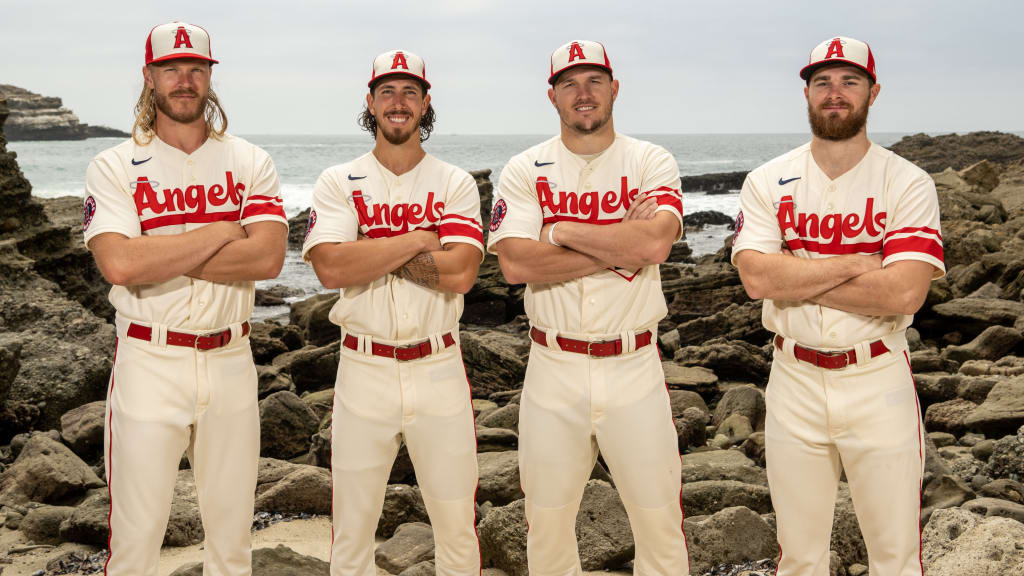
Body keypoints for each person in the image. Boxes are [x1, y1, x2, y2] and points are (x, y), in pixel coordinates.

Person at [732, 36, 944, 576]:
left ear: (874, 92)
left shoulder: (908, 181)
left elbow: (904, 292)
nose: (835, 93)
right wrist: (859, 263)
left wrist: (796, 275)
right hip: (793, 376)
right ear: (806, 93)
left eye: (850, 81)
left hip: (877, 376)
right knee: (799, 556)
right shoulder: (766, 180)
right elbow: (756, 278)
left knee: (895, 555)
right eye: (822, 82)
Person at [83, 21, 288, 576]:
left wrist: (163, 248)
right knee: (136, 540)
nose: (184, 80)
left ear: (210, 78)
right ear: (150, 78)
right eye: (171, 69)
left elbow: (267, 260)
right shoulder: (114, 165)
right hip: (151, 360)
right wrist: (224, 229)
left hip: (230, 361)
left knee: (231, 539)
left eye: (196, 68)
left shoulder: (249, 161)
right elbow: (121, 264)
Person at [487, 40, 689, 575]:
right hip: (553, 366)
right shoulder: (524, 167)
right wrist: (618, 239)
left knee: (660, 524)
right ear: (552, 95)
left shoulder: (650, 159)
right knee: (548, 526)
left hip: (634, 365)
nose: (583, 93)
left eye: (594, 80)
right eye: (570, 83)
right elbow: (514, 265)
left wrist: (557, 231)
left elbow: (653, 247)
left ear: (614, 88)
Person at [303, 49, 483, 576]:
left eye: (409, 92)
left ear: (426, 103)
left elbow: (462, 273)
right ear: (370, 103)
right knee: (352, 526)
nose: (398, 102)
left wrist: (372, 249)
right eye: (387, 92)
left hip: (439, 366)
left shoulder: (455, 183)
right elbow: (332, 270)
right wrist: (416, 240)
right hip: (363, 368)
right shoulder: (340, 180)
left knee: (455, 523)